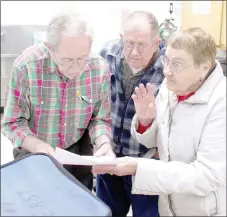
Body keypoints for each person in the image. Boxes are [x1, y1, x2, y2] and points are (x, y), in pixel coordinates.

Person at [93, 27, 226, 216]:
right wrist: (146, 122)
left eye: (177, 64)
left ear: (204, 68)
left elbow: (207, 176)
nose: (167, 72)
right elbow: (158, 144)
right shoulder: (170, 87)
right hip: (168, 207)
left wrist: (139, 168)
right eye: (167, 61)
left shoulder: (220, 103)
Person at [1, 13, 115, 191]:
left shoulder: (99, 68)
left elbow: (99, 119)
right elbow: (12, 123)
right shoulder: (26, 67)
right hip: (33, 151)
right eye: (67, 60)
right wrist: (39, 146)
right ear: (50, 48)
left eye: (82, 58)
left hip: (77, 153)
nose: (76, 68)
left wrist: (104, 143)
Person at [95, 11, 165, 216]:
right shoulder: (107, 54)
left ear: (156, 42)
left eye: (142, 45)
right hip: (110, 157)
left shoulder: (168, 68)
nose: (133, 52)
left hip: (145, 164)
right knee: (106, 211)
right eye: (129, 43)